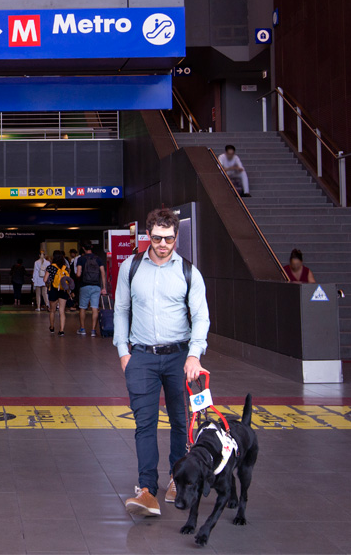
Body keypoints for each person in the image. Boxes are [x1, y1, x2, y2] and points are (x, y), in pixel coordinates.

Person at [115, 208, 210, 517]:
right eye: (157, 238)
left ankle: (176, 479)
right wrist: (123, 351)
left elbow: (201, 316)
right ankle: (146, 490)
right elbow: (121, 310)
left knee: (181, 422)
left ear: (176, 237)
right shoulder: (131, 268)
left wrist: (194, 353)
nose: (162, 244)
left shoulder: (188, 272)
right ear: (148, 236)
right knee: (145, 423)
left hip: (180, 358)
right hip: (140, 356)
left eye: (168, 239)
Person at [75, 243, 107, 336]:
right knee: (94, 308)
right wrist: (104, 287)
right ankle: (93, 330)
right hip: (96, 286)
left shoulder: (81, 259)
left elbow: (78, 274)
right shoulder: (98, 259)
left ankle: (82, 329)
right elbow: (103, 273)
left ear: (83, 248)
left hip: (84, 286)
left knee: (82, 308)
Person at [46, 250, 71, 336]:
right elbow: (68, 280)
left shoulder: (50, 267)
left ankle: (52, 327)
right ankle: (61, 330)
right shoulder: (65, 268)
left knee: (52, 310)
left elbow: (45, 279)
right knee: (62, 311)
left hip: (53, 290)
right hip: (63, 290)